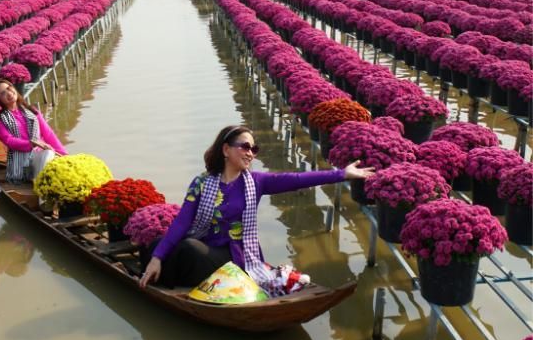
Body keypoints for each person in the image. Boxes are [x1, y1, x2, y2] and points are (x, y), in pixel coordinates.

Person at [138, 125, 375, 295]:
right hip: (207, 246)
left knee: (188, 249)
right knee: (155, 245)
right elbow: (181, 223)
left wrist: (341, 173)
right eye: (245, 146)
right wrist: (157, 258)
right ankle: (162, 276)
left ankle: (181, 279)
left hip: (236, 255)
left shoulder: (256, 182)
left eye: (254, 148)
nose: (251, 152)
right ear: (225, 150)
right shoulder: (202, 183)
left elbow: (298, 178)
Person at [0, 79, 67, 183]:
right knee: (48, 154)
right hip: (22, 160)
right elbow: (9, 141)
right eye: (3, 93)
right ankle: (40, 184)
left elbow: (48, 134)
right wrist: (31, 144)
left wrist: (64, 155)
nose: (9, 93)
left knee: (52, 156)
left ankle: (43, 179)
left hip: (40, 155)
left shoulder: (32, 111)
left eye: (9, 88)